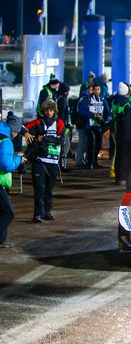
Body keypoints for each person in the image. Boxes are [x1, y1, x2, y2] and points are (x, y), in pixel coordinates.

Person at [21, 99, 66, 222]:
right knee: (39, 188)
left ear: (54, 111)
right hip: (39, 161)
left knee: (49, 189)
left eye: (51, 110)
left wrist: (43, 139)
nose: (48, 113)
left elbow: (61, 139)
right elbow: (22, 127)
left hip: (52, 161)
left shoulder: (59, 123)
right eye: (46, 110)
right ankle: (38, 214)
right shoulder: (38, 122)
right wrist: (26, 134)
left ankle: (47, 211)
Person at [0, 115, 24, 247]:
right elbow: (6, 165)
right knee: (8, 213)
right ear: (14, 130)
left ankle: (2, 240)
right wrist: (18, 159)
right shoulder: (6, 141)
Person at [78, 82, 111, 169]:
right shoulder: (87, 99)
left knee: (98, 144)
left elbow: (107, 111)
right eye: (95, 89)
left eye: (98, 89)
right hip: (89, 125)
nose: (97, 91)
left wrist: (106, 119)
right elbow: (81, 111)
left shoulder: (102, 100)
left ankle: (95, 162)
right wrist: (92, 115)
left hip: (98, 126)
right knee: (91, 144)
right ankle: (89, 162)